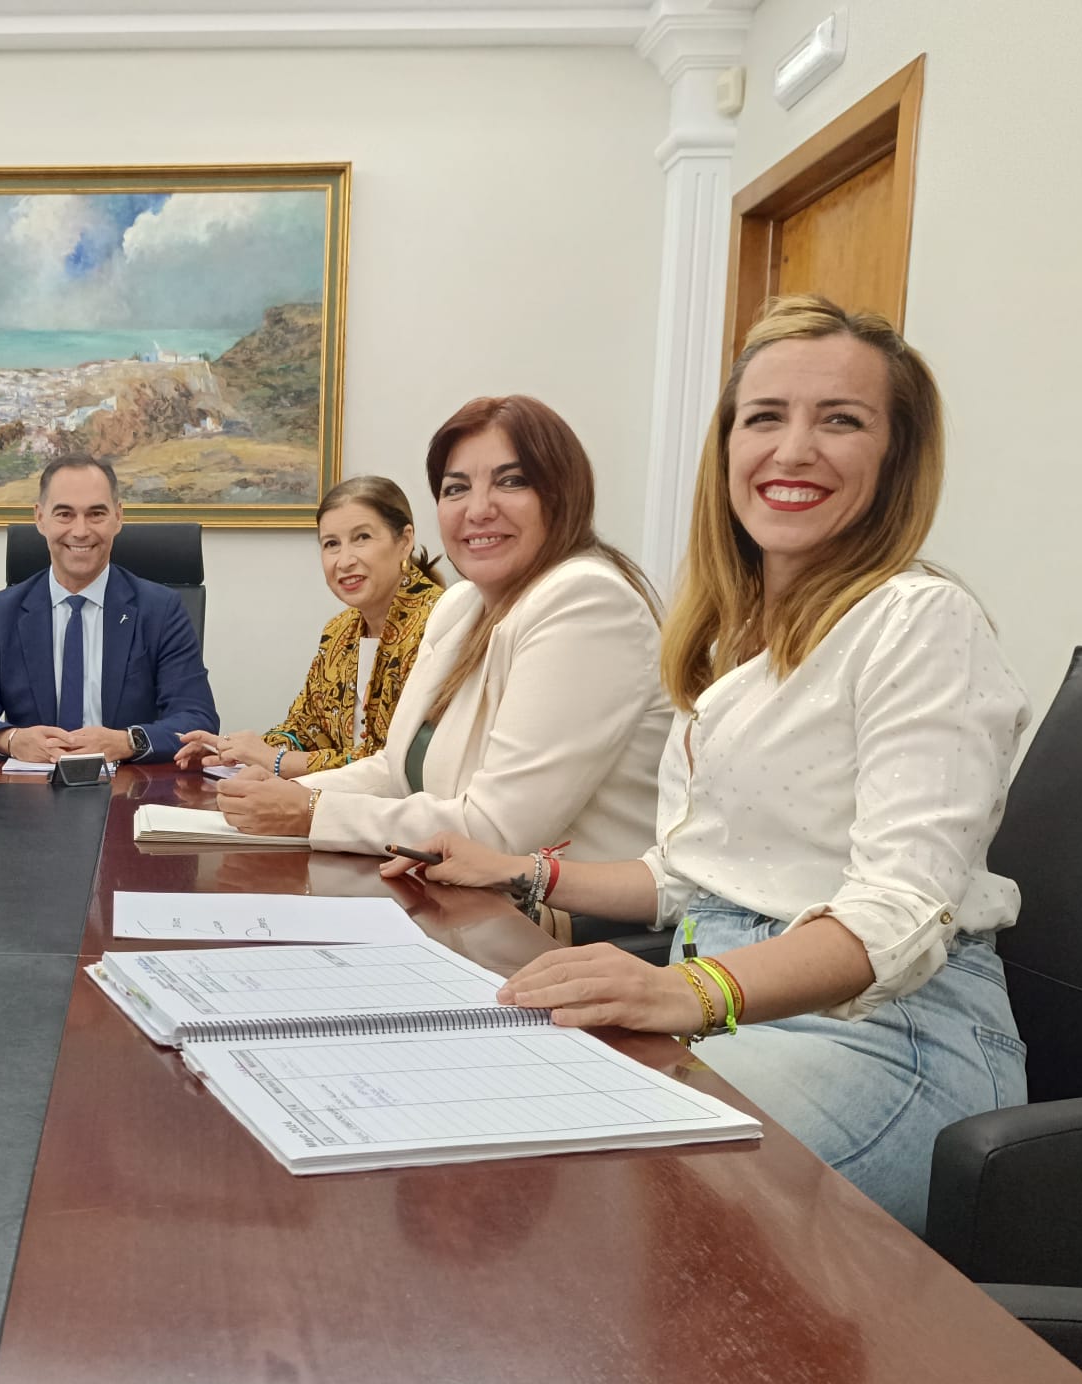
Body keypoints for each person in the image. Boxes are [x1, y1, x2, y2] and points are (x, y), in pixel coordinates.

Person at [387, 296, 1030, 1233]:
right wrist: (524, 871)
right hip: (730, 1009)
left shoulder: (920, 620)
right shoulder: (740, 639)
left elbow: (896, 917)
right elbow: (697, 878)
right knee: (459, 1104)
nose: (793, 450)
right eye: (764, 418)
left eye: (840, 421)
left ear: (896, 460)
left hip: (884, 1038)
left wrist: (684, 990)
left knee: (558, 1186)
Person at [216, 396, 669, 868]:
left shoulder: (586, 600)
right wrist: (273, 794)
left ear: (562, 493)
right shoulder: (462, 605)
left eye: (511, 481)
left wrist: (307, 811)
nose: (477, 510)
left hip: (564, 922)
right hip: (460, 892)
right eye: (455, 489)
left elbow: (495, 831)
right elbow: (394, 773)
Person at [0, 453, 218, 763]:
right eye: (64, 514)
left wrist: (128, 741)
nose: (81, 530)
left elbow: (197, 717)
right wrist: (13, 739)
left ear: (118, 517)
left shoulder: (160, 610)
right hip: (31, 793)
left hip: (129, 787)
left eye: (96, 514)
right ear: (40, 518)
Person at [174, 475, 444, 777]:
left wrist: (275, 761)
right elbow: (303, 729)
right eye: (331, 544)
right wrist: (231, 750)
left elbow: (393, 764)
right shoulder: (339, 631)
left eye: (362, 538)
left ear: (404, 542)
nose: (344, 561)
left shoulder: (439, 623)